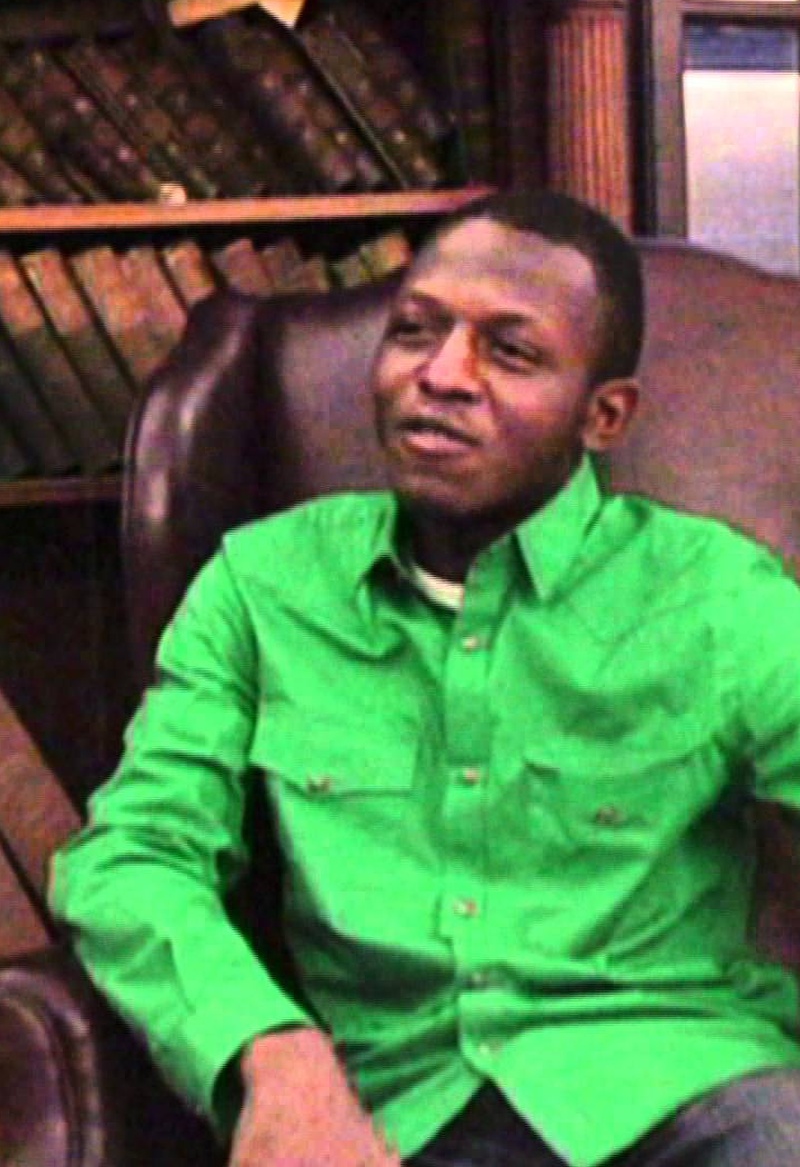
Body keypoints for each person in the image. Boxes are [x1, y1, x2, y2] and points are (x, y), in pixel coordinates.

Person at [50, 190, 800, 1167]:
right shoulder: (263, 587)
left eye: (510, 352)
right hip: (391, 1114)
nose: (441, 375)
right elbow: (133, 857)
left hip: (684, 1089)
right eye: (415, 331)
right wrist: (268, 1054)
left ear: (603, 415)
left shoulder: (715, 597)